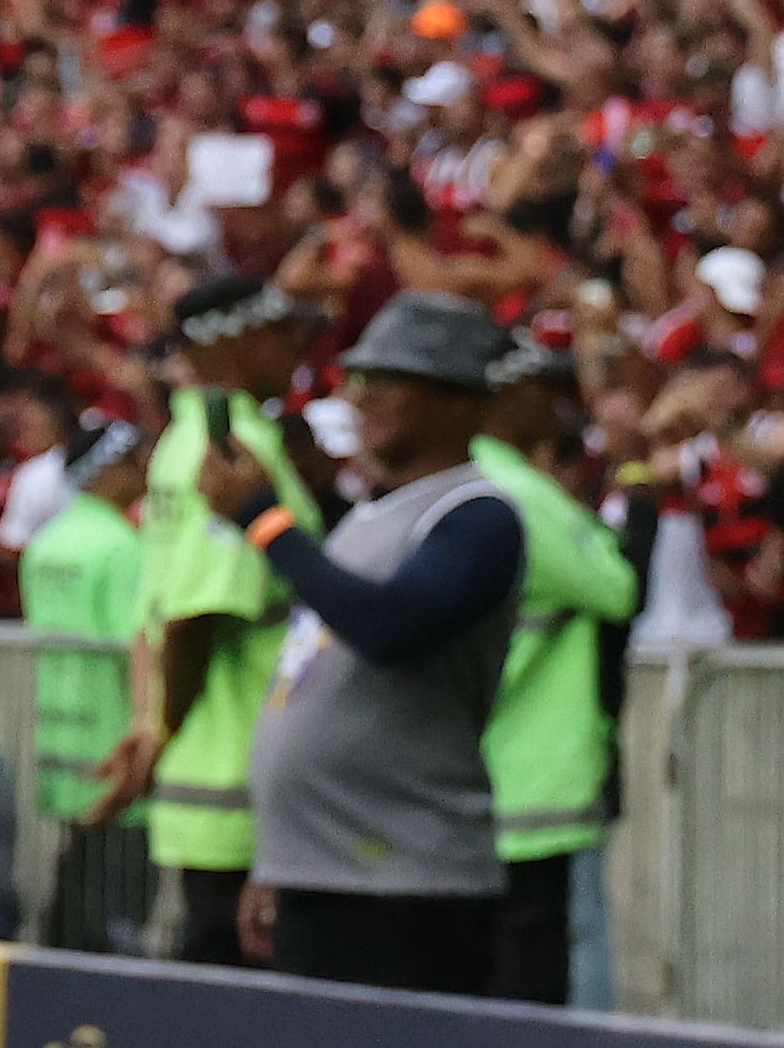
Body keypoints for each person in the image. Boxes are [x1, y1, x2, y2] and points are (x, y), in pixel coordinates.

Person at [200, 293, 527, 992]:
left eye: (389, 379)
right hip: (324, 870)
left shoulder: (476, 517)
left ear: (458, 401)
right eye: (358, 377)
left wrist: (264, 522)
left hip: (405, 881)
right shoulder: (368, 516)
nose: (361, 396)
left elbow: (388, 628)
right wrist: (277, 861)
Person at [93, 275, 332, 963]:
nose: (293, 347)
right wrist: (160, 732)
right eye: (278, 331)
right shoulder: (227, 449)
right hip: (242, 789)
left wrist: (151, 726)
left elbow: (153, 614)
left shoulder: (179, 442)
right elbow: (195, 616)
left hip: (215, 785)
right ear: (232, 341)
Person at [471, 341, 636, 1005]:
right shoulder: (521, 494)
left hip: (481, 776)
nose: (555, 404)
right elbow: (616, 586)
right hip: (537, 780)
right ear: (507, 395)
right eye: (541, 386)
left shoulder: (463, 482)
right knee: (565, 949)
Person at [15, 418, 151, 949]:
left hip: (61, 738)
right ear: (105, 470)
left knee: (77, 879)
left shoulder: (46, 543)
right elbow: (138, 645)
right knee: (116, 905)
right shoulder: (121, 546)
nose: (143, 470)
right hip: (113, 741)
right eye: (132, 459)